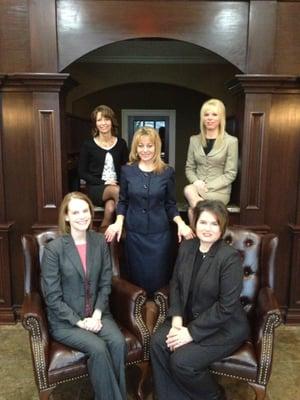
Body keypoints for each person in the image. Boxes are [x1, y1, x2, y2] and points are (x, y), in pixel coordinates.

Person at [150, 200, 250, 400]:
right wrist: (177, 321)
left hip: (224, 327)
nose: (207, 228)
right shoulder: (187, 247)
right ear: (195, 223)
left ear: (222, 228)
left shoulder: (230, 258)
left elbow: (226, 307)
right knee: (158, 343)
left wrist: (190, 333)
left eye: (214, 224)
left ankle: (214, 396)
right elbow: (176, 284)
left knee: (182, 361)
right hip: (187, 319)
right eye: (203, 222)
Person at [41, 192, 127, 400]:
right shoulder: (54, 249)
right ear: (67, 217)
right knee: (97, 348)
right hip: (66, 321)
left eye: (85, 210)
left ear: (91, 212)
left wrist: (97, 315)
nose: (82, 216)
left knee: (117, 342)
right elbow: (52, 297)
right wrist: (80, 323)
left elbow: (106, 283)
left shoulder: (99, 242)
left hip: (98, 314)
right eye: (75, 212)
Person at [105, 127, 194, 296]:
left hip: (160, 235)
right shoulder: (127, 170)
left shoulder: (167, 172)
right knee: (137, 282)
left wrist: (181, 224)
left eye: (149, 145)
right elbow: (123, 201)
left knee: (159, 279)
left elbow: (170, 204)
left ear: (156, 147)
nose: (145, 150)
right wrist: (118, 222)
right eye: (141, 146)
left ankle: (159, 317)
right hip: (135, 235)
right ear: (135, 148)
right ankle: (138, 317)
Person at [184, 99, 238, 223]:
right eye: (206, 114)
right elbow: (189, 168)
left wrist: (206, 187)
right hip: (197, 188)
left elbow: (231, 174)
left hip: (219, 191)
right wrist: (196, 182)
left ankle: (198, 238)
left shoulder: (231, 141)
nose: (209, 118)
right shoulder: (194, 140)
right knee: (189, 190)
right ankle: (204, 233)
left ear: (221, 118)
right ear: (202, 118)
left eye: (214, 114)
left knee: (192, 209)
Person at [78, 105, 128, 228]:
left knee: (110, 209)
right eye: (99, 120)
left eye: (106, 119)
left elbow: (125, 168)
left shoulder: (121, 143)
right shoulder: (88, 144)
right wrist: (104, 181)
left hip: (117, 187)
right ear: (95, 124)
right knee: (117, 190)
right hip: (96, 187)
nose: (103, 123)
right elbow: (81, 172)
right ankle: (124, 227)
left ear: (112, 121)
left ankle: (103, 239)